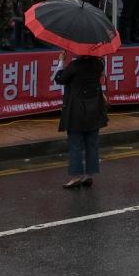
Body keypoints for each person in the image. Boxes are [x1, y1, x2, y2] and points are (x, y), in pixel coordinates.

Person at [55, 54, 108, 189]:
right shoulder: (98, 64)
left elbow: (60, 79)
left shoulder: (75, 66)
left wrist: (61, 61)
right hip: (94, 107)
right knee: (92, 143)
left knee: (76, 143)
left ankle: (76, 176)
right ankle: (89, 174)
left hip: (77, 110)